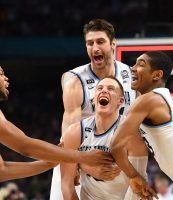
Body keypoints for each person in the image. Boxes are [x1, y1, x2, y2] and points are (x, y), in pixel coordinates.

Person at [0, 58, 113, 200]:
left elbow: (1, 170)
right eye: (1, 73)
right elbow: (24, 146)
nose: (6, 79)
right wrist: (83, 156)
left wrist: (50, 162)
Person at [50, 18, 136, 200]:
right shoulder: (75, 80)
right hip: (79, 153)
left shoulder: (131, 75)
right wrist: (80, 165)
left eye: (100, 42)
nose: (95, 48)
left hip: (116, 156)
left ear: (113, 44)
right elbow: (69, 128)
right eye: (90, 43)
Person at [111, 51, 173, 199]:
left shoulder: (148, 100)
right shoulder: (164, 99)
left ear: (157, 75)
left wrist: (134, 176)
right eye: (134, 63)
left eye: (141, 64)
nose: (133, 68)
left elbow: (116, 146)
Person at [61, 77, 148, 200]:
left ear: (121, 101)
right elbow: (67, 184)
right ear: (92, 100)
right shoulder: (75, 132)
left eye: (111, 89)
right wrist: (83, 165)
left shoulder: (132, 133)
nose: (104, 91)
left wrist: (80, 164)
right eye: (100, 88)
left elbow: (140, 183)